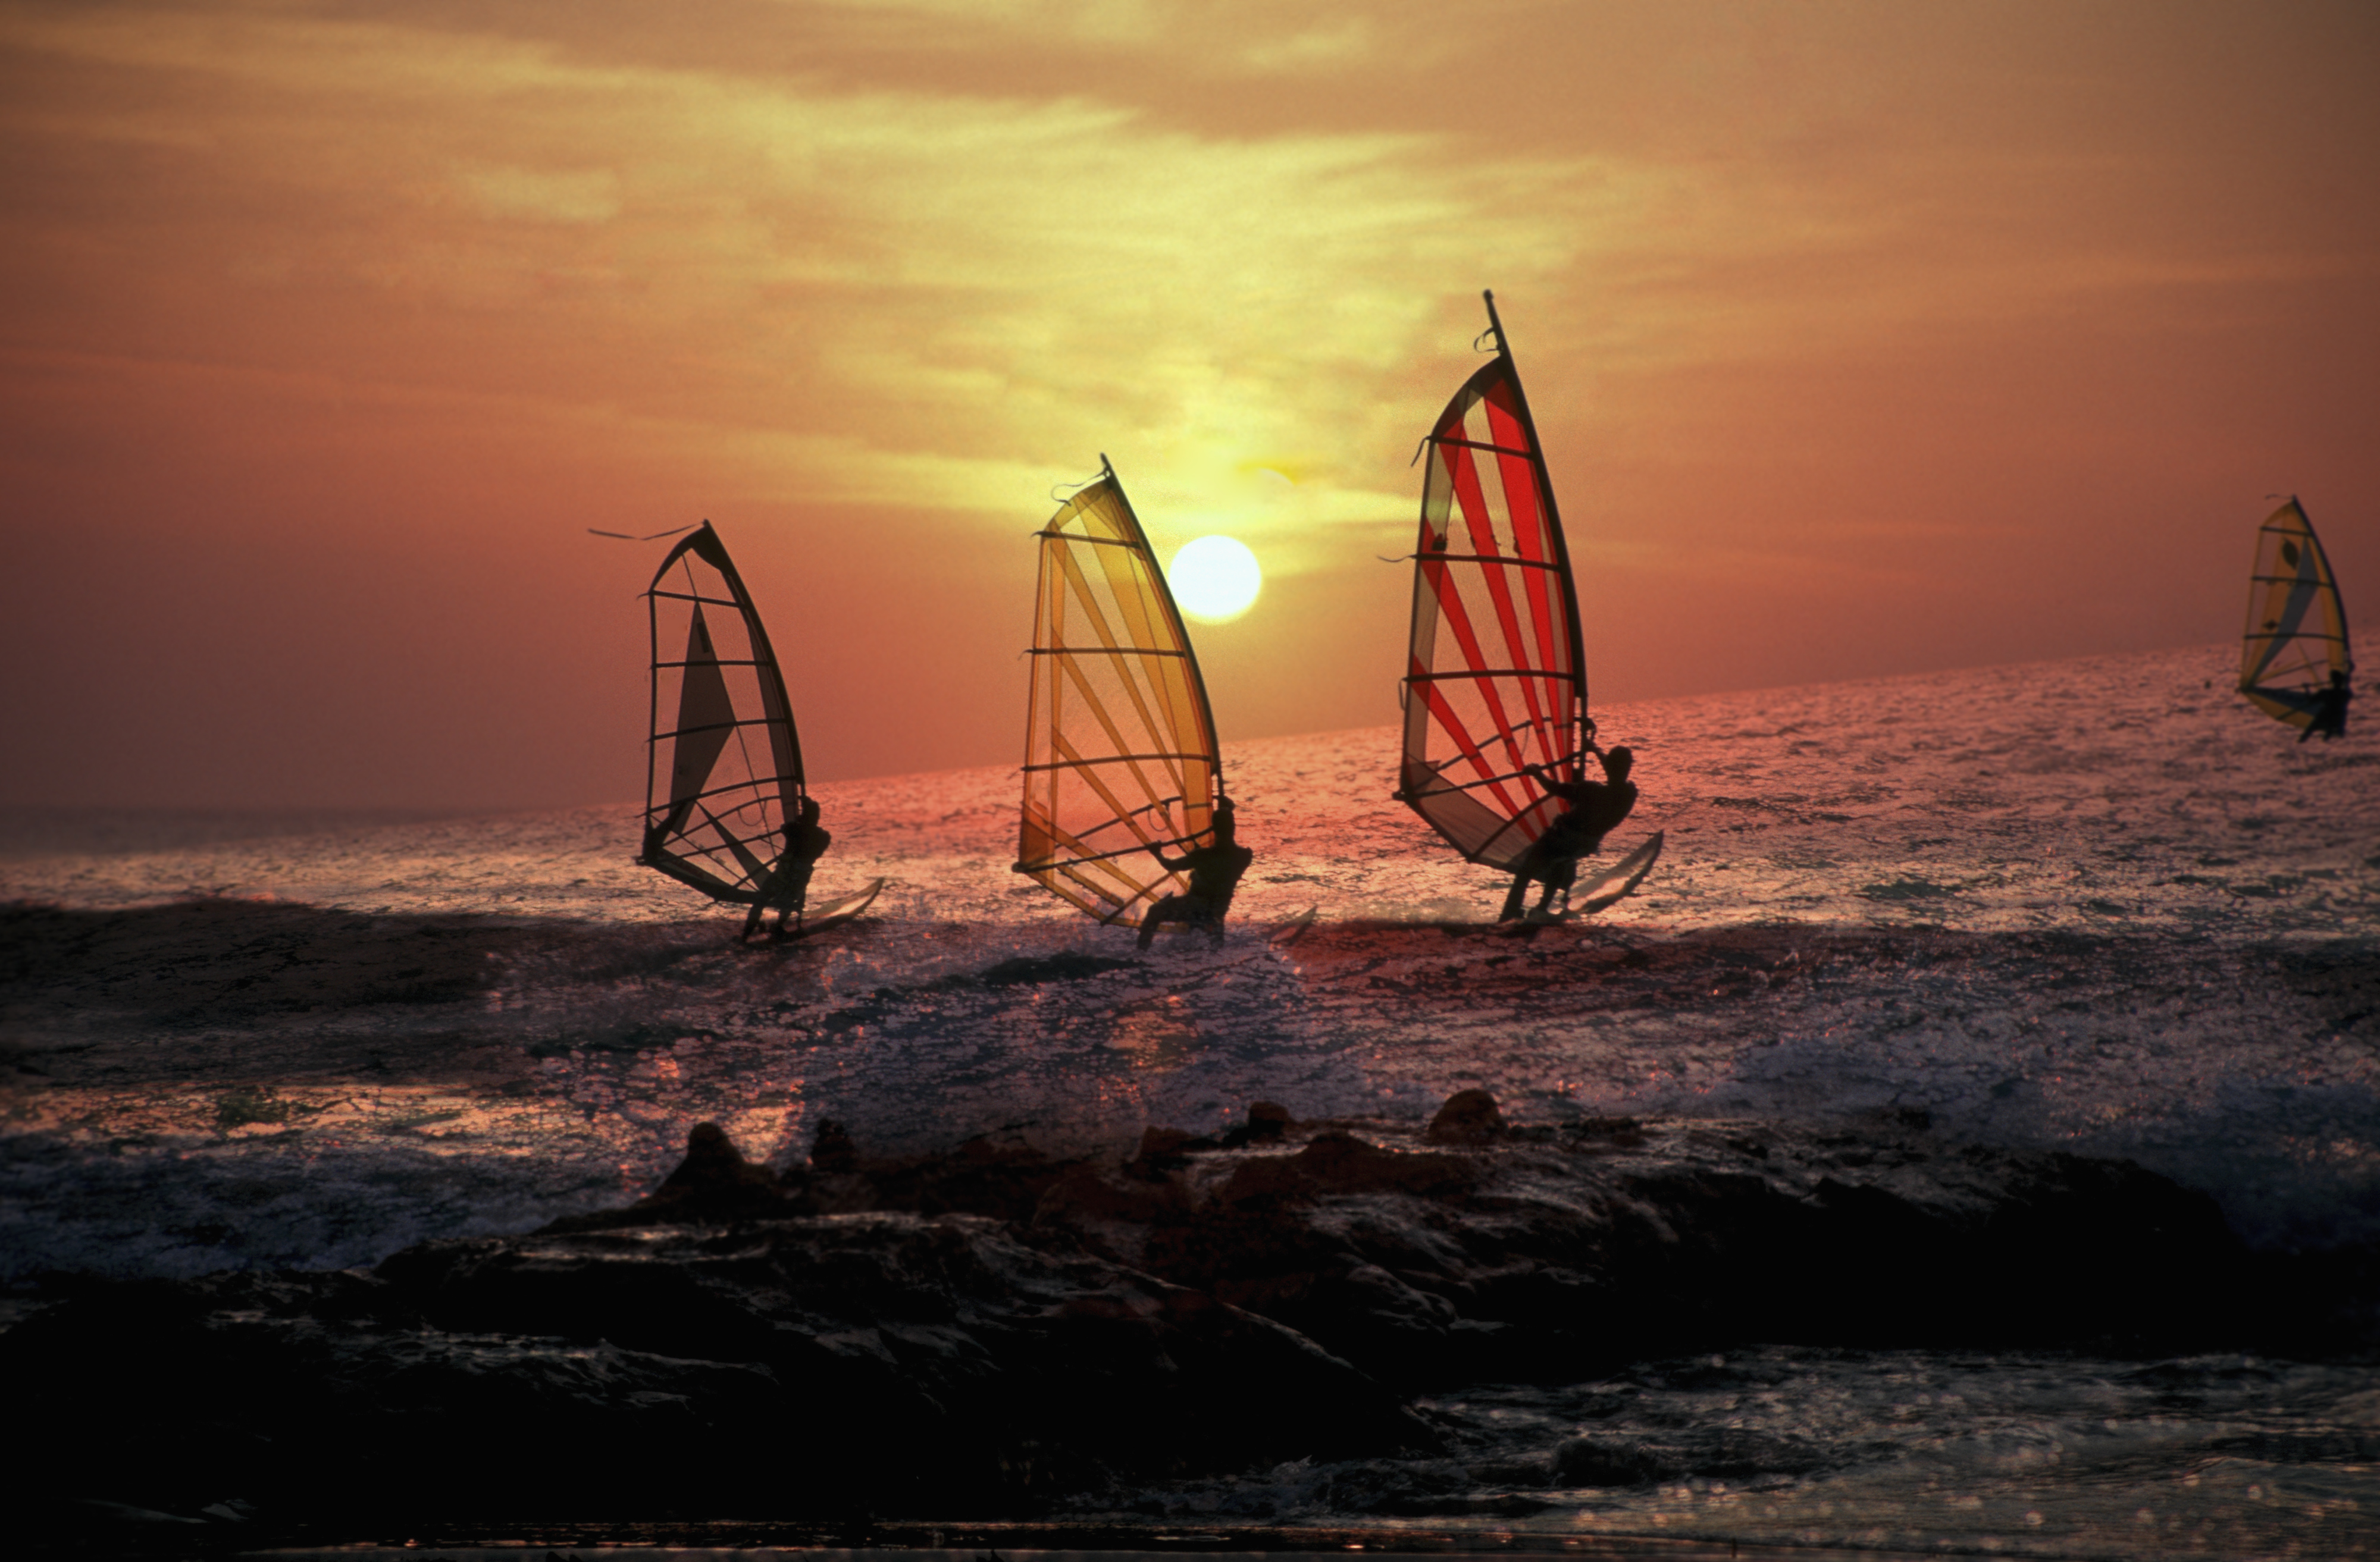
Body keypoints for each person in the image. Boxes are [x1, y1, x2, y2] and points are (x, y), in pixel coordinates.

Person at [1499, 746, 1637, 923]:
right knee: (1562, 860)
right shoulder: (1629, 794)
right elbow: (1616, 774)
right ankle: (1542, 907)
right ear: (1628, 768)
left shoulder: (1591, 790)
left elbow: (1555, 788)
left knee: (1524, 874)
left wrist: (1537, 773)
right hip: (1585, 846)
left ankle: (1508, 915)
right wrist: (1595, 750)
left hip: (1561, 839)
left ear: (1609, 766)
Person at [1138, 795, 1255, 949]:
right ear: (1233, 828)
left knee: (1155, 910)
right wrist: (1227, 809)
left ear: (1214, 829)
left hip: (1194, 909)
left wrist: (1157, 853)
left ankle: (1141, 953)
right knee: (1209, 924)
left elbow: (1170, 865)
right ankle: (1213, 947)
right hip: (1217, 911)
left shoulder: (1201, 856)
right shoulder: (1245, 856)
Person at [743, 795, 831, 941]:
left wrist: (800, 818)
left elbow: (785, 827)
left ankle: (749, 933)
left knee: (761, 902)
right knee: (785, 902)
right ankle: (776, 925)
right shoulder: (823, 836)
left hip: (784, 878)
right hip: (796, 881)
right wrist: (805, 815)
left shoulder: (795, 830)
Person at [2301, 669, 2353, 742]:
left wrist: (2306, 689)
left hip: (2326, 717)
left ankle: (2302, 741)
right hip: (2338, 719)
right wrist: (2349, 672)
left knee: (2309, 731)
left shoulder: (2326, 693)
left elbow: (2311, 700)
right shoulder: (2346, 693)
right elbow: (2347, 685)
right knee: (2331, 734)